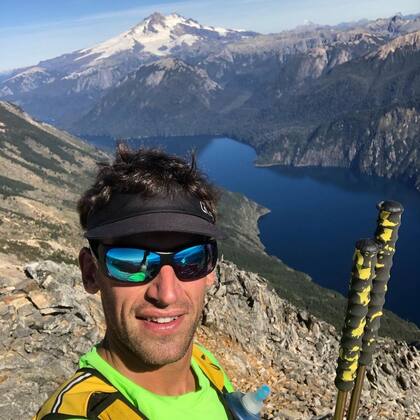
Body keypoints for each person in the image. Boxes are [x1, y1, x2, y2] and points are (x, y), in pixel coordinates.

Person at [34, 144, 235, 419]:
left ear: (210, 270)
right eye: (131, 262)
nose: (166, 294)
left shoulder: (205, 366)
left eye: (192, 260)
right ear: (91, 273)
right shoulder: (78, 413)